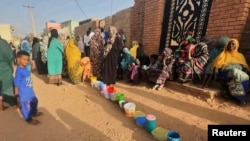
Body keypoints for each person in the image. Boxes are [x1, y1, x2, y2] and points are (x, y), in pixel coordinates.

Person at [211, 39, 250, 106]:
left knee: (244, 77)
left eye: (233, 44)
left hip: (239, 73)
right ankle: (241, 99)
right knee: (235, 73)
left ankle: (234, 96)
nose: (230, 45)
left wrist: (238, 67)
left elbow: (244, 66)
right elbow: (217, 66)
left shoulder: (240, 56)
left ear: (237, 46)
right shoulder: (223, 54)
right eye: (229, 44)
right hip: (225, 73)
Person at [14, 51, 43, 125]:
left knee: (34, 101)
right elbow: (16, 83)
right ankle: (28, 118)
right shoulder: (19, 71)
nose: (26, 61)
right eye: (24, 59)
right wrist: (16, 92)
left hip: (30, 91)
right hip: (24, 93)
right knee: (26, 106)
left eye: (27, 60)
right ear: (18, 59)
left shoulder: (25, 68)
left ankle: (33, 112)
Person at [0, 37, 18, 111]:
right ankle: (14, 105)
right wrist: (12, 67)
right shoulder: (3, 43)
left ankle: (1, 105)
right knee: (10, 87)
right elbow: (10, 56)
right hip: (4, 69)